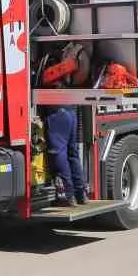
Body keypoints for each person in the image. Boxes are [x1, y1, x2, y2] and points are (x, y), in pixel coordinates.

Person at [38, 43, 88, 206]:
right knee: (72, 154)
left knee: (59, 154)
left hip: (57, 112)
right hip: (70, 111)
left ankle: (69, 195)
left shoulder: (50, 66)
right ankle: (81, 194)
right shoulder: (64, 70)